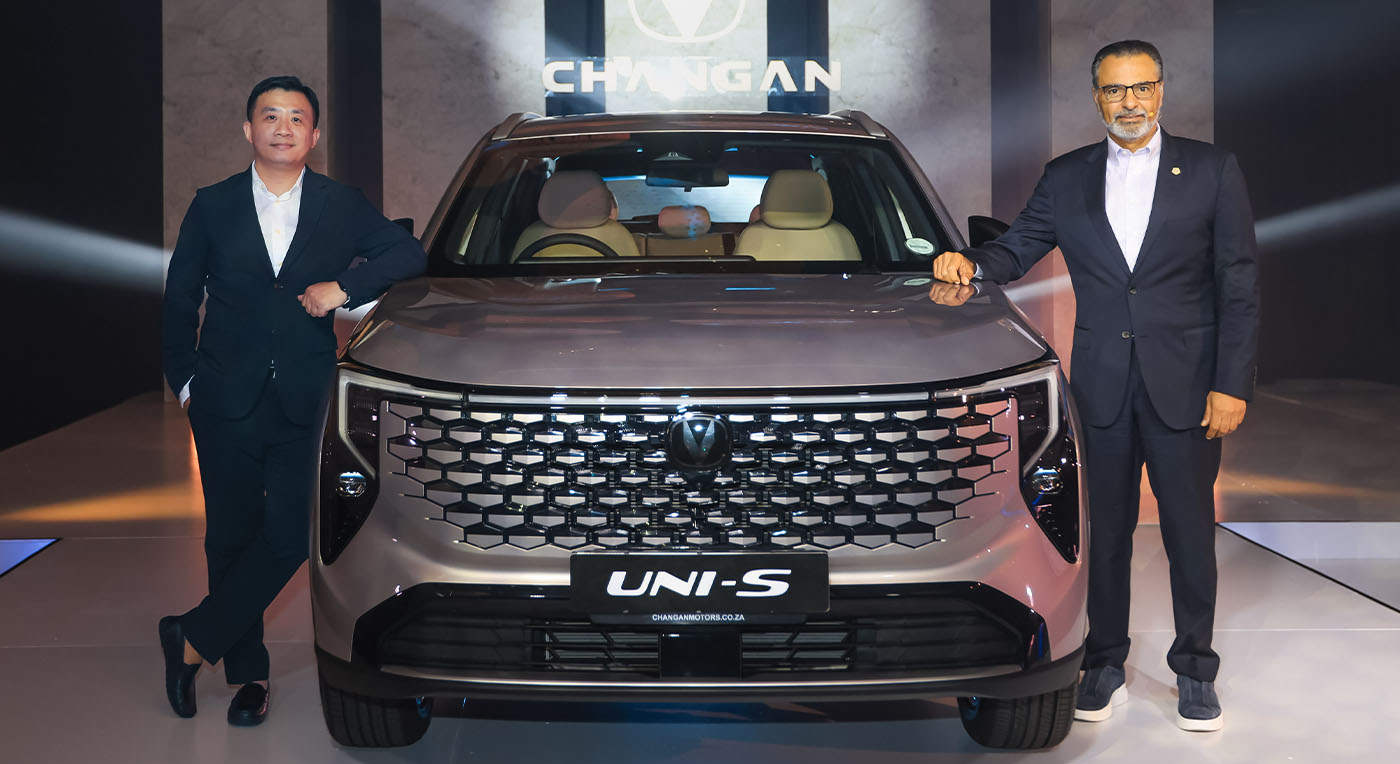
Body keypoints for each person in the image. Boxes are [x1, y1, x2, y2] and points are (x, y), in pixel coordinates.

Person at [930, 40, 1258, 732]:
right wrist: (969, 263)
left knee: (1190, 534)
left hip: (1189, 387)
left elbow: (1240, 285)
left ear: (1162, 91)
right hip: (1102, 387)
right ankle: (1104, 663)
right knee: (1102, 534)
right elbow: (1016, 249)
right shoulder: (1068, 175)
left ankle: (1195, 668)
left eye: (1141, 88)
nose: (1130, 102)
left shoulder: (1211, 169)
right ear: (1097, 98)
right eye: (1115, 90)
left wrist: (1232, 385)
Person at [159, 75, 426, 726]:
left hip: (306, 398)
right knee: (229, 537)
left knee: (293, 534)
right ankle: (250, 678)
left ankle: (192, 637)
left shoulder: (341, 203)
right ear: (248, 131)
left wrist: (344, 285)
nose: (283, 127)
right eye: (269, 116)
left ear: (315, 135)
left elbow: (408, 253)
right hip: (223, 395)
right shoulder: (213, 203)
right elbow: (178, 297)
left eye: (297, 117)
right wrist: (187, 384)